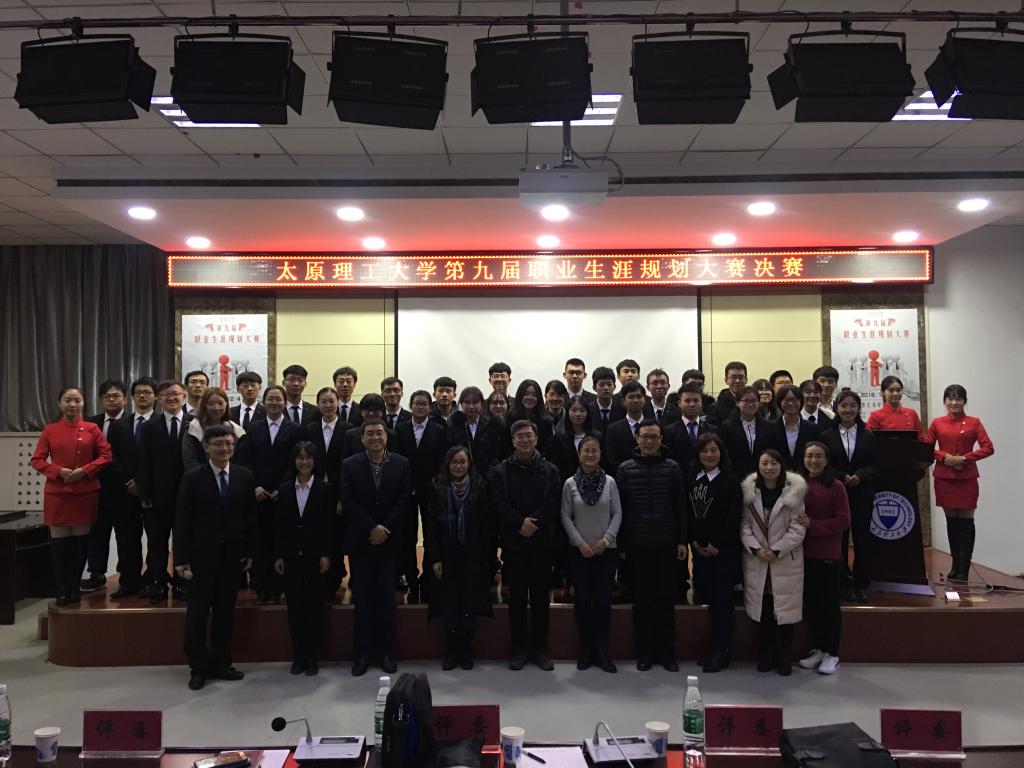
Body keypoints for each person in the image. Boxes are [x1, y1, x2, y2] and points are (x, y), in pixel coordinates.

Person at [174, 424, 256, 691]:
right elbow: (182, 519)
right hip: (200, 558)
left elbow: (249, 518)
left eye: (228, 444)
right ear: (206, 447)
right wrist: (180, 558)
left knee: (225, 614)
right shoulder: (193, 478)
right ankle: (198, 668)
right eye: (218, 444)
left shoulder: (244, 476)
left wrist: (249, 552)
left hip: (232, 558)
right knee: (197, 615)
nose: (224, 448)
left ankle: (221, 663)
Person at [340, 418, 411, 676]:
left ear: (386, 436)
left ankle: (386, 653)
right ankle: (362, 655)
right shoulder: (350, 465)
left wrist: (384, 528)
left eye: (379, 433)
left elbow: (404, 499)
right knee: (362, 600)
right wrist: (371, 527)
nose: (375, 437)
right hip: (362, 541)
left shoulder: (402, 463)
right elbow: (348, 500)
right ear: (362, 438)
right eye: (369, 433)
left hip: (390, 542)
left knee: (386, 600)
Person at [489, 420, 561, 671]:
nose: (525, 440)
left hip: (542, 544)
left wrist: (533, 523)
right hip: (514, 544)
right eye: (519, 436)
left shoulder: (550, 470)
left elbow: (553, 502)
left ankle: (540, 649)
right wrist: (519, 522)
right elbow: (498, 503)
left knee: (541, 599)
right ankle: (519, 648)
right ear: (512, 441)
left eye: (529, 435)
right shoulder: (500, 471)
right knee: (517, 599)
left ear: (536, 438)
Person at [616, 419, 687, 672]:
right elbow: (620, 510)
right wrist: (622, 544)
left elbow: (681, 507)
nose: (649, 441)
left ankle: (667, 653)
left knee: (666, 601)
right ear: (637, 438)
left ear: (660, 440)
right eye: (644, 436)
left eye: (654, 437)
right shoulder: (624, 469)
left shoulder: (673, 468)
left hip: (666, 543)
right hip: (637, 545)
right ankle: (644, 653)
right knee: (642, 601)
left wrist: (682, 540)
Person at [31, 387, 113, 606]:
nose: (72, 405)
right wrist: (58, 471)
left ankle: (74, 587)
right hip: (57, 493)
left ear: (83, 404)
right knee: (59, 545)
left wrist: (85, 470)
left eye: (77, 400)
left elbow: (106, 455)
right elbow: (37, 460)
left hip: (85, 492)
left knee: (80, 544)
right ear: (59, 403)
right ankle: (61, 590)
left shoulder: (92, 428)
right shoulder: (50, 430)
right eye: (68, 400)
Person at [424, 446, 494, 670]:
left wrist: (485, 555)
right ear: (448, 464)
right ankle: (451, 650)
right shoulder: (438, 487)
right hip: (447, 554)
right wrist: (435, 557)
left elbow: (487, 524)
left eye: (463, 461)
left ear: (469, 464)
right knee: (449, 603)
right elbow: (430, 526)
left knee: (468, 602)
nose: (458, 466)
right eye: (454, 462)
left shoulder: (480, 487)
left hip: (473, 555)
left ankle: (466, 649)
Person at [740, 449, 807, 676]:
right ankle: (767, 655)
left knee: (785, 612)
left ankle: (784, 655)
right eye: (765, 463)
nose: (769, 468)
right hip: (757, 560)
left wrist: (777, 549)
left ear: (782, 466)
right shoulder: (749, 493)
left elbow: (798, 529)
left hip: (785, 561)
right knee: (764, 611)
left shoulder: (794, 493)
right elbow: (744, 526)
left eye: (774, 463)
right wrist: (756, 549)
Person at [236, 385, 301, 604]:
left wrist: (282, 488)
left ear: (285, 402)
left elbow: (296, 462)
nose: (274, 403)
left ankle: (279, 586)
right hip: (258, 495)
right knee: (260, 541)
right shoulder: (253, 428)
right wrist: (255, 486)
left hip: (284, 495)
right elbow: (245, 460)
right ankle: (261, 586)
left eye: (278, 399)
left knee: (281, 541)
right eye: (270, 399)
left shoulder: (295, 429)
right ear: (264, 402)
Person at [561, 435, 621, 673]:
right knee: (583, 601)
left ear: (600, 454)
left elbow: (618, 513)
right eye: (586, 450)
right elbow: (565, 516)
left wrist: (606, 540)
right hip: (580, 552)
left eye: (595, 450)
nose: (590, 454)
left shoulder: (610, 482)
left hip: (606, 550)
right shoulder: (570, 484)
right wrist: (580, 543)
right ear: (579, 454)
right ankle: (585, 650)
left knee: (603, 601)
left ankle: (602, 651)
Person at [274, 441, 332, 676]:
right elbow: (278, 526)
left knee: (314, 607)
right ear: (294, 461)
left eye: (309, 458)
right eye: (300, 458)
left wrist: (326, 553)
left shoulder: (325, 489)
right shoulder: (284, 489)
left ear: (315, 461)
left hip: (315, 555)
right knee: (295, 608)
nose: (304, 462)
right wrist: (279, 554)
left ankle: (313, 657)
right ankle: (298, 656)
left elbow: (329, 525)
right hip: (290, 556)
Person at [926, 384, 995, 582]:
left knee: (966, 522)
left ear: (965, 401)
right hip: (944, 478)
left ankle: (964, 566)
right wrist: (944, 456)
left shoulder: (974, 422)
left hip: (967, 478)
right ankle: (955, 564)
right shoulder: (937, 423)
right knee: (951, 522)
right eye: (950, 399)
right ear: (945, 401)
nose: (954, 403)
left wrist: (964, 458)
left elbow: (988, 447)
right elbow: (926, 447)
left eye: (958, 399)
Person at [687, 433, 742, 674]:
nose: (709, 455)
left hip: (723, 552)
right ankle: (713, 648)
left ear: (721, 453)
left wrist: (717, 544)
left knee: (723, 602)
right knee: (709, 599)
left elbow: (734, 517)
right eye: (705, 451)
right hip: (699, 551)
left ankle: (723, 650)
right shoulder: (692, 479)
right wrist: (693, 541)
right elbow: (688, 513)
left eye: (714, 450)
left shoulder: (730, 481)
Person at [820, 390, 878, 602]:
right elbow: (824, 464)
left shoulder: (868, 435)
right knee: (839, 540)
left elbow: (874, 465)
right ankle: (842, 583)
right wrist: (842, 476)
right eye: (844, 405)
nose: (848, 410)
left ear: (859, 408)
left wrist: (859, 476)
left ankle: (861, 584)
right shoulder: (827, 435)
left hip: (862, 493)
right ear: (836, 408)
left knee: (863, 540)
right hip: (836, 493)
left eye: (853, 405)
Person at [798, 442, 850, 676]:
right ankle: (819, 648)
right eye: (809, 456)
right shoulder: (798, 484)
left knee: (829, 606)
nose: (813, 460)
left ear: (826, 460)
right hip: (803, 555)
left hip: (827, 555)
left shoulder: (836, 486)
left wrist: (814, 525)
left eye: (818, 456)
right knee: (812, 605)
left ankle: (832, 653)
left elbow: (843, 520)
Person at [137, 380, 191, 604]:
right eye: (166, 395)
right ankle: (158, 583)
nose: (171, 398)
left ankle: (181, 584)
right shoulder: (150, 426)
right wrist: (144, 494)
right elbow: (143, 462)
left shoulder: (194, 423)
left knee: (183, 542)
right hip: (157, 497)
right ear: (159, 398)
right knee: (157, 543)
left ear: (184, 396)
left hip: (187, 495)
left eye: (176, 394)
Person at [396, 390, 448, 602]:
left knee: (430, 534)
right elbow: (397, 460)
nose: (420, 407)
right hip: (406, 491)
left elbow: (442, 461)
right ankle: (411, 577)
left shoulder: (439, 430)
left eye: (424, 404)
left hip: (430, 491)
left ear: (430, 406)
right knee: (407, 536)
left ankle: (428, 578)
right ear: (411, 405)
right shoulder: (401, 429)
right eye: (416, 403)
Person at [302, 387, 352, 601]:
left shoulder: (348, 429)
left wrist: (342, 497)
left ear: (338, 403)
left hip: (338, 490)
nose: (328, 405)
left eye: (332, 401)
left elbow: (349, 465)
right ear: (318, 404)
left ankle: (337, 573)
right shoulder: (310, 428)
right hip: (315, 489)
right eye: (324, 401)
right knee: (318, 530)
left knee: (337, 532)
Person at [81, 379, 130, 594]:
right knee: (97, 533)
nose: (111, 400)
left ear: (125, 399)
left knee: (125, 535)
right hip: (96, 487)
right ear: (101, 400)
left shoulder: (132, 422)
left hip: (125, 489)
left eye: (116, 396)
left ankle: (127, 576)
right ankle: (96, 573)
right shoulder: (90, 423)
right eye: (107, 396)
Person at [182, 387, 246, 472]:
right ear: (204, 406)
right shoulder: (193, 429)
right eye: (211, 404)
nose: (216, 408)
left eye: (220, 403)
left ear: (226, 404)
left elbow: (241, 460)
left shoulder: (235, 430)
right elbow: (190, 461)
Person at [719, 386, 775, 480]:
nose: (750, 404)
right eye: (746, 401)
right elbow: (725, 454)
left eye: (754, 401)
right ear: (737, 403)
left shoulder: (768, 426)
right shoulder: (727, 426)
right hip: (735, 476)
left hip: (762, 476)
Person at [448, 386, 505, 476]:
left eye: (475, 402)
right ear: (461, 404)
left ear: (482, 404)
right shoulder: (455, 425)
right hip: (461, 474)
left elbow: (496, 452)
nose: (471, 406)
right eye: (467, 402)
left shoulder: (491, 425)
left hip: (488, 475)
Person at [545, 395, 603, 481]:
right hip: (567, 481)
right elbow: (557, 464)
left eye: (582, 410)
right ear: (568, 412)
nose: (578, 414)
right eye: (574, 410)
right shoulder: (559, 437)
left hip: (595, 481)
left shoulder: (597, 436)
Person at [771, 384, 819, 471]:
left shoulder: (813, 429)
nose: (791, 403)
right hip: (778, 474)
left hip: (804, 475)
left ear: (801, 401)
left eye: (795, 400)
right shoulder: (770, 428)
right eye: (786, 400)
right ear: (779, 402)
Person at [603, 380, 647, 475]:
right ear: (623, 401)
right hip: (623, 478)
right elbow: (612, 460)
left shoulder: (654, 427)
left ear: (644, 399)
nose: (635, 400)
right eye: (631, 397)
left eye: (639, 396)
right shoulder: (613, 430)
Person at [342, 394, 400, 459]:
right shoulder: (351, 435)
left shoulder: (392, 435)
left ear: (382, 412)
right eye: (367, 410)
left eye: (375, 410)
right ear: (361, 412)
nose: (371, 413)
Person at [508, 379, 554, 452]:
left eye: (534, 395)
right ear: (520, 396)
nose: (530, 398)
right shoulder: (510, 418)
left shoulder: (545, 421)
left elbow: (547, 448)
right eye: (526, 394)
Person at [704, 362, 748, 432]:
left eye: (740, 377)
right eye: (733, 377)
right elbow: (713, 433)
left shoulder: (754, 404)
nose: (737, 381)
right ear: (726, 380)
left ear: (746, 380)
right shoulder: (715, 408)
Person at [588, 366, 625, 431]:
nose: (606, 388)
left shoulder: (622, 410)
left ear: (614, 387)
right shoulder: (588, 410)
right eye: (601, 385)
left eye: (609, 384)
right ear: (594, 388)